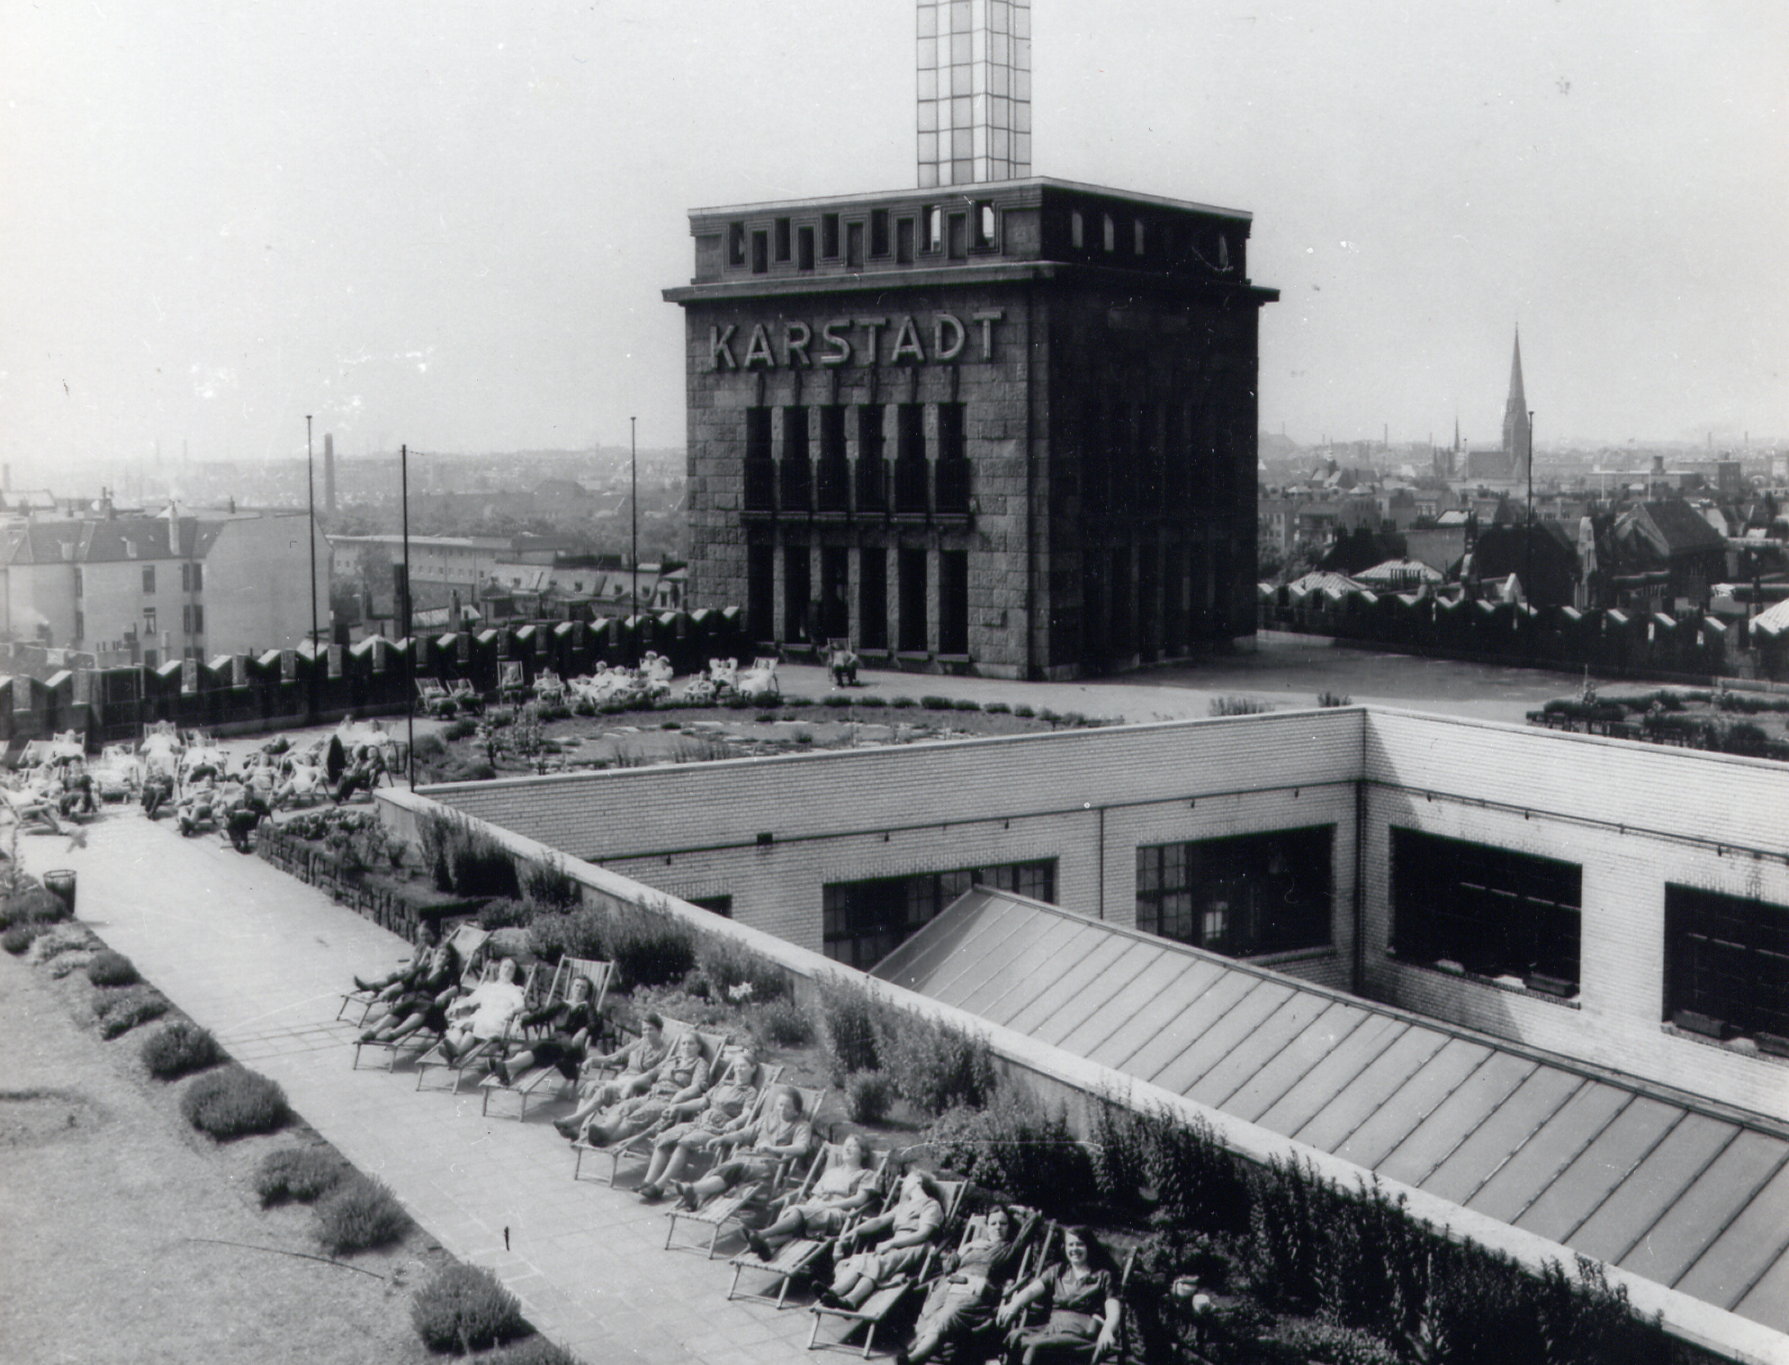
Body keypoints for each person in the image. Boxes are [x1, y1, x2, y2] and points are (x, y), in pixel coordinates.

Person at [896, 1205, 1028, 1365]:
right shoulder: (976, 1245)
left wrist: (1018, 1210)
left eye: (1003, 1223)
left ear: (1009, 1227)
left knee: (945, 1317)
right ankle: (929, 1350)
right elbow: (948, 1267)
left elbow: (1033, 1223)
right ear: (986, 1227)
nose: (998, 1227)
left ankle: (914, 1359)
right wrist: (966, 1248)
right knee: (928, 1314)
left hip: (973, 1292)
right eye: (993, 1223)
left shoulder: (1008, 1249)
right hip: (949, 1287)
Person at [636, 1045, 763, 1201]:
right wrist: (678, 1106)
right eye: (736, 1066)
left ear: (753, 1068)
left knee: (684, 1142)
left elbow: (747, 1114)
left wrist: (735, 1123)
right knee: (665, 1137)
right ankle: (647, 1182)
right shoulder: (724, 1084)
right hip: (699, 1122)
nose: (738, 1070)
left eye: (743, 1066)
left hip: (717, 1130)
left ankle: (659, 1187)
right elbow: (702, 1101)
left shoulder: (750, 1092)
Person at [667, 1084, 815, 1211]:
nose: (782, 1109)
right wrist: (722, 1138)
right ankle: (694, 1196)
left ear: (796, 1110)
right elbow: (744, 1134)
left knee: (734, 1168)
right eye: (780, 1104)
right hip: (748, 1157)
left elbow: (801, 1148)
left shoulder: (802, 1125)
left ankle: (692, 1190)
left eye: (787, 1106)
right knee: (725, 1168)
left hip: (770, 1164)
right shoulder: (768, 1118)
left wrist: (772, 1149)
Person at [819, 1169, 947, 1311]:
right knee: (862, 1260)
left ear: (918, 1181)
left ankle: (850, 1299)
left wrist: (891, 1243)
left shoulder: (931, 1205)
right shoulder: (903, 1206)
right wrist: (853, 1232)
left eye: (907, 1180)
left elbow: (923, 1234)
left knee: (876, 1262)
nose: (903, 1184)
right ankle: (833, 1293)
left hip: (916, 1247)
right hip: (897, 1246)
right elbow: (879, 1221)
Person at [743, 1134, 882, 1260]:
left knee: (798, 1212)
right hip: (817, 1208)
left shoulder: (866, 1174)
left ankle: (761, 1234)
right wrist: (810, 1205)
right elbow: (815, 1194)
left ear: (863, 1153)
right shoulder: (831, 1172)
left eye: (853, 1146)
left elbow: (859, 1200)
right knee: (796, 1213)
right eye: (846, 1145)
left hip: (838, 1213)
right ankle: (766, 1245)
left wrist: (828, 1205)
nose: (847, 1148)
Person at [997, 1226, 1122, 1365]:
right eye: (1071, 1244)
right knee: (1014, 1336)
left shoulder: (1102, 1276)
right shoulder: (1058, 1271)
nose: (1074, 1249)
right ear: (1065, 1247)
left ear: (1089, 1246)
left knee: (1036, 1348)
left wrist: (1107, 1331)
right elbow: (1031, 1290)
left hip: (1080, 1334)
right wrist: (1013, 1305)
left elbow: (1113, 1310)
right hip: (1053, 1327)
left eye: (1080, 1244)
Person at [576, 1029, 711, 1148]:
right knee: (625, 1106)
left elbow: (697, 1087)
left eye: (691, 1043)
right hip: (651, 1095)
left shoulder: (700, 1064)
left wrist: (680, 1095)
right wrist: (631, 1084)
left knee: (638, 1115)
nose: (686, 1046)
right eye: (683, 1043)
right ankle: (605, 1129)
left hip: (669, 1101)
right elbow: (650, 1074)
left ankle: (607, 1139)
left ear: (698, 1047)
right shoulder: (672, 1060)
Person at [554, 1012, 671, 1139]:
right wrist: (593, 1060)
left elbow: (656, 1077)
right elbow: (615, 1057)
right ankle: (576, 1128)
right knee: (590, 1085)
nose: (647, 1033)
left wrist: (634, 1083)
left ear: (659, 1031)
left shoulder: (664, 1052)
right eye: (644, 1029)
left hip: (636, 1089)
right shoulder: (639, 1044)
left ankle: (572, 1121)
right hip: (621, 1081)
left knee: (605, 1090)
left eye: (651, 1029)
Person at [489, 973, 604, 1085]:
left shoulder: (588, 1007)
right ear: (572, 987)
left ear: (587, 991)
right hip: (555, 1041)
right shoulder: (562, 1004)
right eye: (577, 985)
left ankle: (506, 1065)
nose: (579, 989)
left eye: (583, 987)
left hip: (570, 1046)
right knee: (534, 1045)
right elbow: (541, 1014)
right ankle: (507, 1068)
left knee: (542, 1046)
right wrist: (521, 1021)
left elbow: (595, 1024)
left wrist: (584, 1030)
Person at [436, 956, 528, 1062]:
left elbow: (521, 1006)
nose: (507, 970)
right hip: (481, 1016)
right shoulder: (487, 986)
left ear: (514, 974)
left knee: (472, 1028)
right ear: (499, 969)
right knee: (463, 1028)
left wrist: (512, 1011)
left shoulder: (514, 990)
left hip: (498, 1019)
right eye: (505, 967)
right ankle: (454, 1049)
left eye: (511, 969)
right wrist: (455, 1006)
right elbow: (471, 1000)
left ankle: (454, 1052)